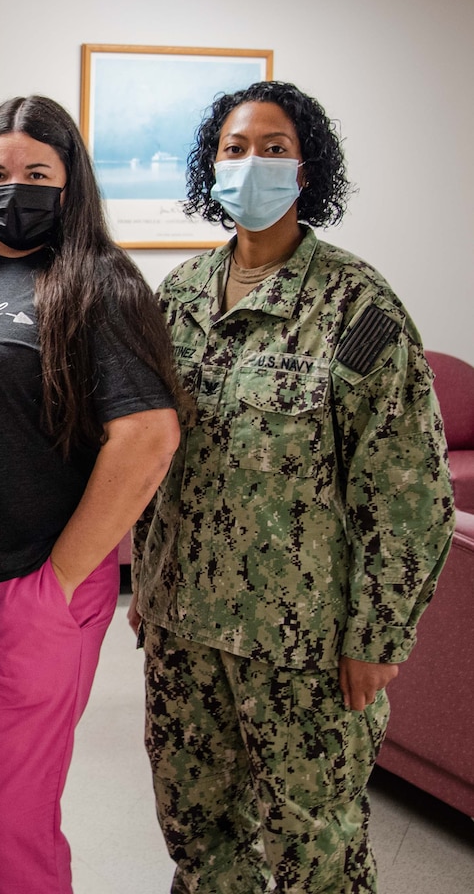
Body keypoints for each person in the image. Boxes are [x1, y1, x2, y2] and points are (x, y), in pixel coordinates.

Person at [132, 80, 456, 893]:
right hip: (185, 633)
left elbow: (410, 493)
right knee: (197, 840)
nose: (251, 165)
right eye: (234, 150)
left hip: (304, 648)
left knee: (315, 853)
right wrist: (143, 580)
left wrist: (376, 639)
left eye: (273, 149)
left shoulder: (357, 306)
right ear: (212, 168)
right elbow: (152, 458)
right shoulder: (176, 301)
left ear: (306, 172)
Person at [0, 95, 181, 893]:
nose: (14, 188)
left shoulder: (99, 288)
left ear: (70, 183)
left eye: (37, 173)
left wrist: (57, 584)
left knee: (8, 840)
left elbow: (148, 437)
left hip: (20, 600)